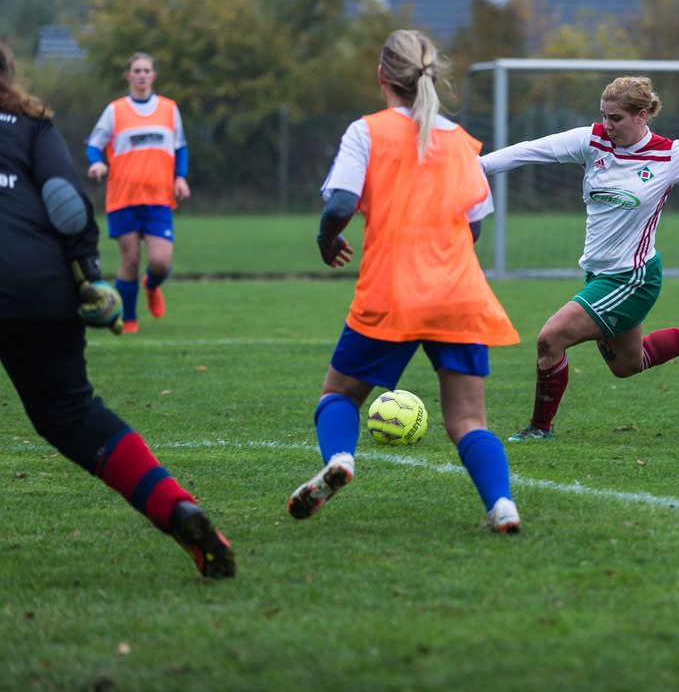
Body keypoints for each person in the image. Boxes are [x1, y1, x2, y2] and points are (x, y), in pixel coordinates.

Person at [0, 41, 233, 578]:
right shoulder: (31, 123)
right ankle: (175, 505)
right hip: (38, 284)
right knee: (72, 414)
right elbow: (63, 199)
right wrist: (87, 277)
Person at [286, 30, 523, 533]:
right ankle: (502, 506)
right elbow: (474, 224)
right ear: (430, 75)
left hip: (392, 292)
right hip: (459, 293)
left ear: (382, 77)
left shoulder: (367, 131)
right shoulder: (460, 142)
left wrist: (327, 239)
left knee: (340, 395)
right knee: (467, 421)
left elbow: (341, 204)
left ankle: (342, 460)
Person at [479, 76, 679, 442]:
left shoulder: (670, 156)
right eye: (603, 116)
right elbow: (530, 150)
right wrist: (477, 167)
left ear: (641, 116)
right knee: (630, 365)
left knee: (549, 339)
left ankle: (540, 428)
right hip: (599, 275)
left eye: (615, 118)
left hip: (632, 278)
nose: (607, 125)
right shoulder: (593, 140)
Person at [85, 53, 190, 334]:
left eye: (146, 70)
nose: (142, 75)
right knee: (129, 260)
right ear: (128, 76)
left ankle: (151, 285)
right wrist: (96, 161)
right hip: (123, 197)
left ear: (153, 75)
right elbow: (94, 144)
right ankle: (128, 318)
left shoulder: (168, 109)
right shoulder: (116, 110)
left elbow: (180, 147)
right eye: (136, 70)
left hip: (158, 198)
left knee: (159, 261)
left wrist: (180, 177)